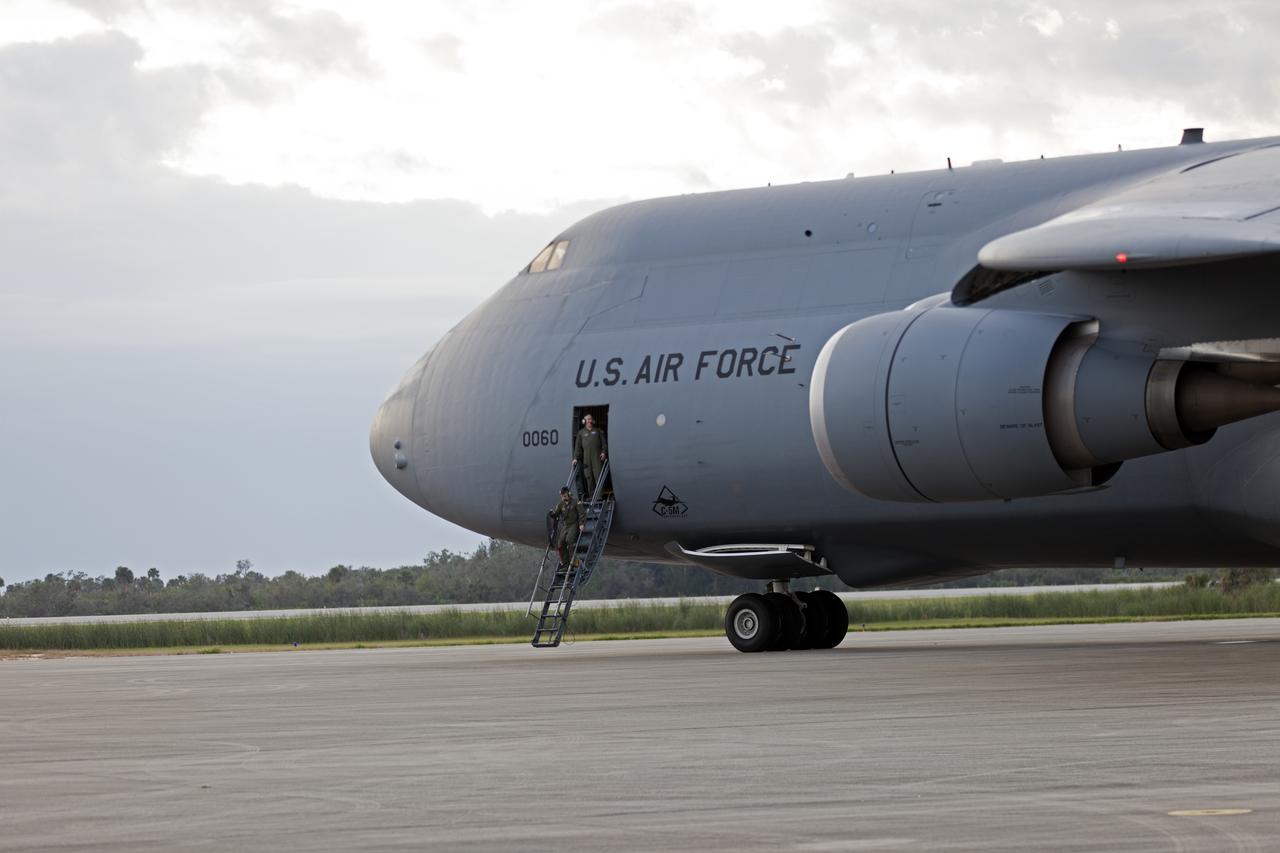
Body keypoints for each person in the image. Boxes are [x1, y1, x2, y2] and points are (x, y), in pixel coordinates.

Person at [572, 413, 608, 499]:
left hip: (597, 458)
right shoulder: (581, 433)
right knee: (589, 477)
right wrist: (575, 458)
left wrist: (603, 452)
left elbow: (604, 444)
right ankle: (592, 497)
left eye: (591, 419)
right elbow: (578, 447)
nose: (590, 421)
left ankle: (599, 497)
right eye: (588, 419)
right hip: (586, 459)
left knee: (598, 476)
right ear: (584, 421)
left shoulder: (598, 431)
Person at [548, 486, 585, 569]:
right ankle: (566, 564)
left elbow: (582, 513)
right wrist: (551, 514)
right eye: (562, 496)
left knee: (569, 540)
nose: (563, 497)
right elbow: (556, 513)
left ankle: (574, 562)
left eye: (564, 495)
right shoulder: (561, 504)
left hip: (573, 524)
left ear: (568, 493)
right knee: (560, 544)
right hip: (566, 526)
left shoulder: (576, 502)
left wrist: (581, 524)